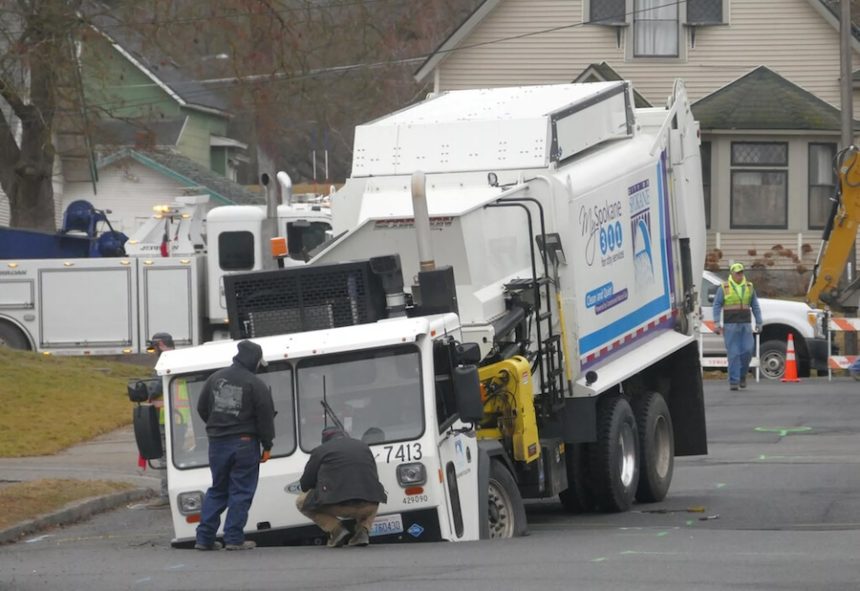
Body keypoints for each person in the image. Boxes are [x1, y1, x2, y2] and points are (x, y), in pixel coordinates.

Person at [194, 340, 275, 551]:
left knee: (218, 489)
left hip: (217, 443)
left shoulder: (215, 378)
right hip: (244, 443)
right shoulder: (255, 384)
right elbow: (265, 417)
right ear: (254, 360)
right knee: (241, 491)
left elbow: (202, 408)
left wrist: (218, 428)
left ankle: (203, 538)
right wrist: (267, 445)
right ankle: (233, 538)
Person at [296, 426, 387, 548]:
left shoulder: (321, 450)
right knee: (374, 490)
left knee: (301, 501)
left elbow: (305, 484)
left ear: (325, 440)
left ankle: (336, 529)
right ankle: (363, 530)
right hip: (368, 506)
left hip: (338, 506)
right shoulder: (363, 446)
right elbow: (374, 478)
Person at [712, 262, 763, 391]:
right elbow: (717, 305)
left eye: (741, 273)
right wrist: (717, 323)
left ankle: (742, 375)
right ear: (732, 274)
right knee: (733, 354)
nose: (740, 275)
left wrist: (759, 321)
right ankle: (734, 381)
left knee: (747, 350)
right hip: (730, 325)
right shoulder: (724, 288)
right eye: (737, 273)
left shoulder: (749, 287)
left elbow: (755, 306)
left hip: (745, 324)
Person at [147, 332, 175, 508]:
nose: (154, 351)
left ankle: (166, 494)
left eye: (155, 347)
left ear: (161, 344)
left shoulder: (165, 360)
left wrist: (148, 392)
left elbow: (155, 388)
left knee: (165, 458)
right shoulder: (180, 357)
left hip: (166, 418)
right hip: (180, 417)